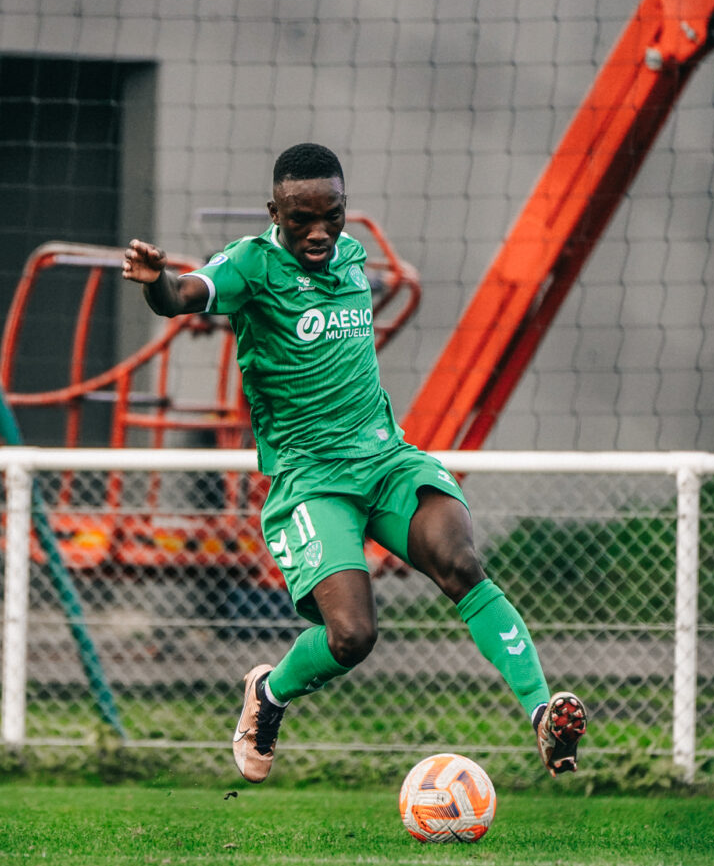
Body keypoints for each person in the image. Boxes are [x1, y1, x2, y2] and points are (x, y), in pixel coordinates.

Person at [122, 142, 587, 783]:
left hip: (387, 458)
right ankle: (271, 694)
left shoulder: (351, 255)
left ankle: (542, 714)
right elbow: (186, 294)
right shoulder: (250, 266)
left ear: (344, 207)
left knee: (460, 561)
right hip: (311, 480)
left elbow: (338, 261)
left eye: (332, 215)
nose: (319, 232)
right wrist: (160, 285)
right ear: (274, 213)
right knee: (352, 637)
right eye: (301, 219)